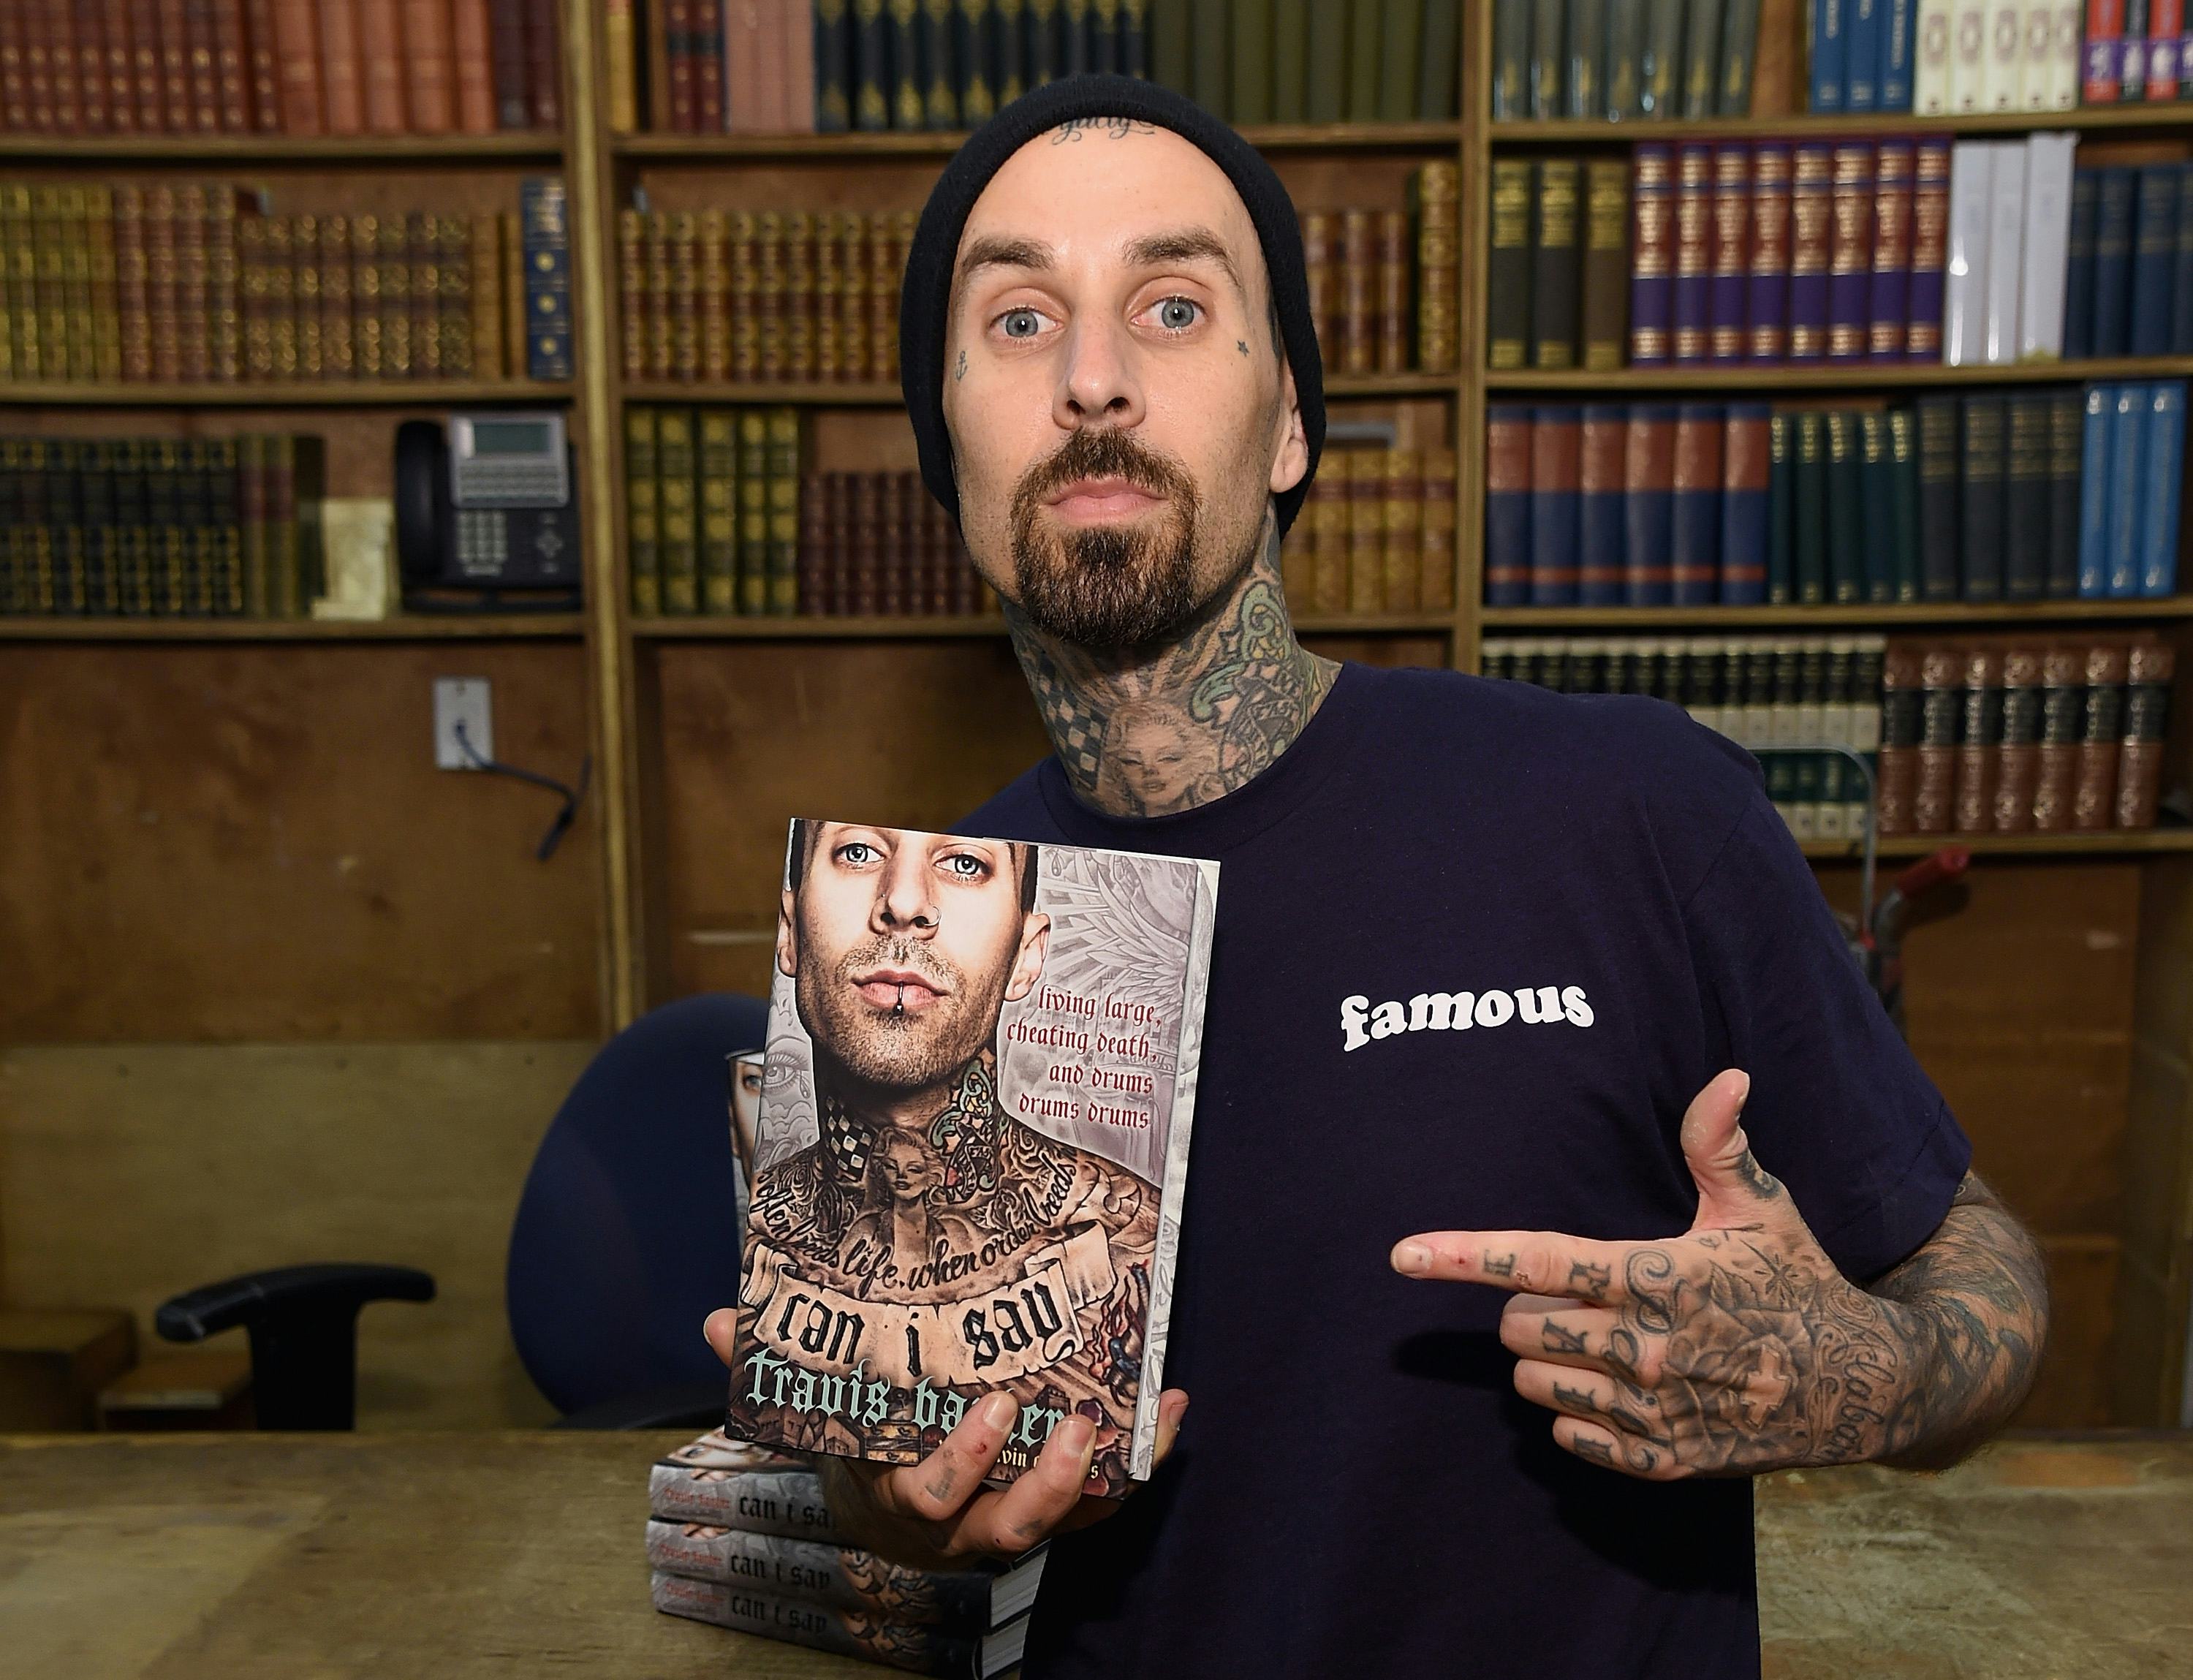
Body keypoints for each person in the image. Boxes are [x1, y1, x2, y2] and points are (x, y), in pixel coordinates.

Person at [707, 77, 2050, 1679]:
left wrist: (1878, 1372)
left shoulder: (1630, 808)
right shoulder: (915, 949)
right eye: (1015, 320)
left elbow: (1984, 1269)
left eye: (1175, 304)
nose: (1090, 378)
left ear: (1287, 422)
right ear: (951, 454)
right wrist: (880, 1508)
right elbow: (902, 1529)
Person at [724, 818, 1162, 1492]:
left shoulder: (1132, 1231)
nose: (904, 902)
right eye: (859, 851)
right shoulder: (760, 1223)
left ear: (1025, 954)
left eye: (963, 865)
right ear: (790, 932)